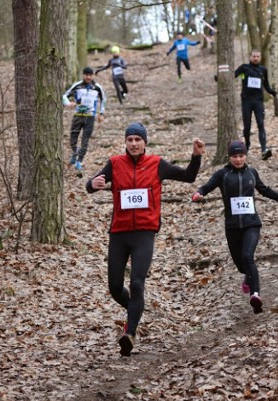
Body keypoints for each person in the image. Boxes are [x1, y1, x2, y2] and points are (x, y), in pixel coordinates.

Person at [86, 123, 206, 356]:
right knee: (114, 287)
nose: (133, 144)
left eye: (137, 140)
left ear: (144, 143)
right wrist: (92, 184)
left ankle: (129, 333)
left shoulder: (156, 164)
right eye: (129, 139)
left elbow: (188, 176)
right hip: (119, 233)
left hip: (144, 233)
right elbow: (91, 184)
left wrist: (196, 156)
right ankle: (135, 309)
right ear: (125, 142)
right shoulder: (114, 164)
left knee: (137, 283)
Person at [191, 140, 278, 314]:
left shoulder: (252, 173)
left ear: (246, 156)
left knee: (248, 256)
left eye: (241, 155)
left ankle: (255, 295)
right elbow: (207, 186)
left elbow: (266, 191)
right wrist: (199, 194)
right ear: (229, 157)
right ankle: (248, 278)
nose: (238, 159)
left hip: (252, 224)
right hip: (233, 227)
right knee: (241, 265)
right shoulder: (222, 174)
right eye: (234, 156)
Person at [234, 50, 278, 161]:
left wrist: (271, 91)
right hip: (246, 101)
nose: (256, 58)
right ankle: (247, 146)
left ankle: (264, 150)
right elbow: (232, 75)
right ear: (250, 57)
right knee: (247, 126)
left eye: (258, 56)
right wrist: (220, 77)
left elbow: (266, 84)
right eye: (254, 56)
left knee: (261, 124)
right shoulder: (244, 68)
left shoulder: (263, 69)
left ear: (260, 57)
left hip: (258, 101)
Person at [62, 67, 106, 170]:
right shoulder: (77, 86)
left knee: (85, 140)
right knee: (73, 139)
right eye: (86, 75)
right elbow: (64, 95)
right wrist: (68, 103)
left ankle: (79, 161)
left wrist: (102, 113)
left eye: (90, 75)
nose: (88, 77)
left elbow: (103, 99)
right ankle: (75, 152)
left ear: (93, 76)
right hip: (78, 116)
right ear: (83, 75)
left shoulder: (97, 87)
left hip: (90, 117)